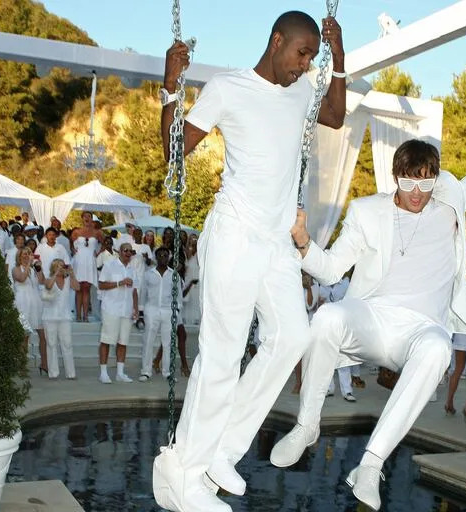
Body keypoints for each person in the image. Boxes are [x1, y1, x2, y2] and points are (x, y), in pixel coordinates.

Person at [269, 86, 466, 510]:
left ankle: (372, 464)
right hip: (372, 319)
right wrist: (303, 244)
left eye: (426, 182)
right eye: (410, 182)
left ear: (434, 178)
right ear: (396, 177)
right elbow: (332, 268)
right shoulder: (366, 211)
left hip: (420, 330)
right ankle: (307, 425)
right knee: (326, 319)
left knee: (438, 349)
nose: (418, 192)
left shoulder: (450, 204)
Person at [153, 11, 346, 512]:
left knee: (293, 337)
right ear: (276, 40)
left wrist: (337, 55)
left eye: (312, 56)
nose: (306, 65)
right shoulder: (228, 87)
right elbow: (175, 150)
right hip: (236, 234)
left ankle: (224, 452)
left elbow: (336, 116)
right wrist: (171, 86)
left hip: (278, 242)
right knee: (222, 353)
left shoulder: (304, 90)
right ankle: (185, 477)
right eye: (301, 53)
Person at [139, 247, 186, 382]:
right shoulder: (148, 274)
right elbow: (143, 293)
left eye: (166, 255)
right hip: (151, 310)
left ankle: (167, 372)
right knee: (148, 340)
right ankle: (146, 371)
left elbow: (178, 297)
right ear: (156, 257)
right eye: (160, 255)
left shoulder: (174, 275)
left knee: (168, 343)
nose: (163, 258)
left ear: (169, 258)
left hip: (168, 311)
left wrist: (176, 311)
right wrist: (141, 312)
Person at [97, 243, 138, 384]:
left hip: (126, 310)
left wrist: (136, 310)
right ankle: (103, 373)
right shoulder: (110, 265)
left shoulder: (133, 269)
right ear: (119, 252)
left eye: (130, 251)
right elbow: (101, 284)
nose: (128, 253)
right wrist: (119, 283)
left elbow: (134, 291)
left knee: (123, 342)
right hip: (111, 309)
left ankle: (120, 373)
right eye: (125, 250)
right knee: (107, 341)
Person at [42, 258, 79, 380]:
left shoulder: (68, 279)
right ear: (54, 267)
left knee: (67, 344)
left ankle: (71, 373)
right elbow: (48, 286)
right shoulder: (49, 279)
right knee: (51, 344)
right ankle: (53, 373)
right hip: (50, 316)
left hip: (65, 316)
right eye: (59, 266)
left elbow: (77, 287)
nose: (61, 267)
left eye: (63, 266)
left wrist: (72, 274)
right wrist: (55, 273)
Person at [12, 247, 47, 372]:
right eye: (24, 254)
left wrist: (38, 268)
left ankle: (44, 364)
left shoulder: (32, 269)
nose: (27, 256)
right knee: (24, 335)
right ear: (19, 256)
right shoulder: (16, 269)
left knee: (43, 335)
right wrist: (28, 266)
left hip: (35, 302)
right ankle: (21, 365)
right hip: (23, 303)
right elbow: (21, 278)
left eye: (29, 254)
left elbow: (42, 281)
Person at [71, 211, 103, 322]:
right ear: (82, 218)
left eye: (89, 216)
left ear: (92, 219)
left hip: (90, 261)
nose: (87, 218)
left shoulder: (97, 232)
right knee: (78, 288)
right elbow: (71, 244)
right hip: (79, 261)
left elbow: (104, 243)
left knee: (86, 288)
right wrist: (73, 250)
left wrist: (98, 253)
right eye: (85, 216)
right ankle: (78, 315)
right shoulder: (76, 232)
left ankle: (85, 315)